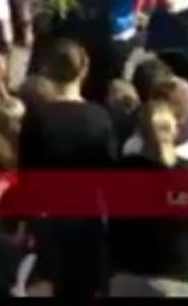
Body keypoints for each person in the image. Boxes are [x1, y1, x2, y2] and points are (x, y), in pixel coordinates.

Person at [18, 39, 117, 300]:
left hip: (47, 216)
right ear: (84, 71)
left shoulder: (38, 116)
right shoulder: (100, 118)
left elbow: (25, 174)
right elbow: (110, 176)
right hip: (87, 217)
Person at [107, 99, 188, 297]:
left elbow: (109, 220)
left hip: (127, 271)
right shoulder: (187, 172)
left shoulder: (122, 170)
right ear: (175, 130)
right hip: (175, 273)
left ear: (139, 132)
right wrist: (186, 244)